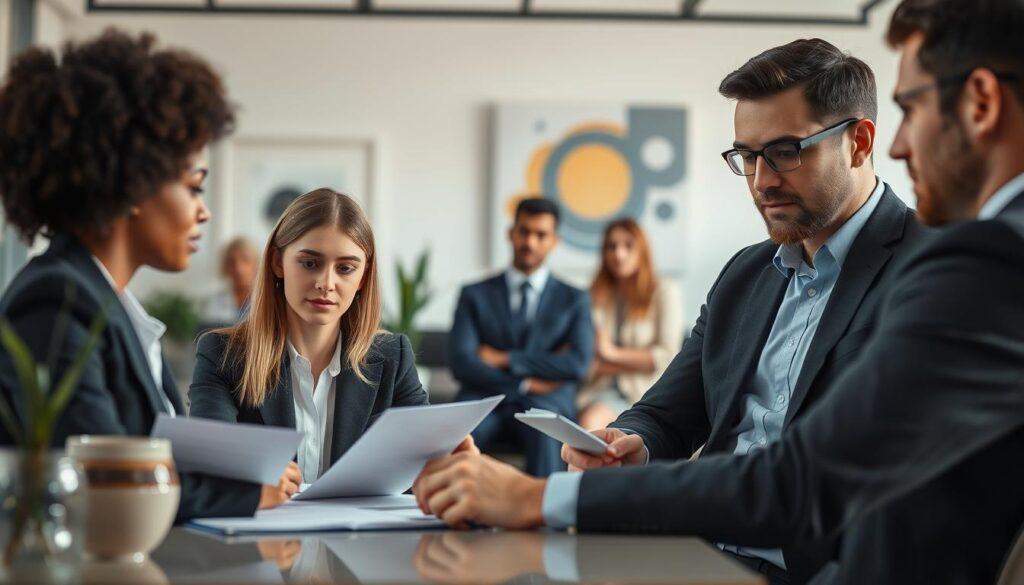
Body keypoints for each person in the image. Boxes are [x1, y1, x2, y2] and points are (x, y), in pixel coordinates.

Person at [412, 1, 1024, 583]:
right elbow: (665, 413)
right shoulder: (745, 275)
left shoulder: (942, 261)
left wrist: (541, 495)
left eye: (784, 153)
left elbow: (805, 484)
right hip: (697, 548)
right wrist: (631, 443)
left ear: (859, 142)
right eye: (746, 156)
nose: (760, 181)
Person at [0, 29, 268, 520]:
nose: (203, 213)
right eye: (194, 188)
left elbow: (163, 463)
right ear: (134, 186)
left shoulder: (109, 301)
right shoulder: (56, 300)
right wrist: (252, 494)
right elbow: (107, 479)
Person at [189, 189, 429, 494]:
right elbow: (209, 465)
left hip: (359, 539)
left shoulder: (393, 357)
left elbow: (424, 469)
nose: (326, 284)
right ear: (278, 262)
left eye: (345, 268)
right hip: (261, 537)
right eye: (310, 263)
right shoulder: (222, 355)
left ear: (363, 277)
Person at [448, 197, 594, 477]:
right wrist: (527, 382)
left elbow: (577, 364)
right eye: (524, 231)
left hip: (548, 403)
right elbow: (462, 362)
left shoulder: (574, 299)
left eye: (541, 235)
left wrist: (504, 359)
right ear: (510, 233)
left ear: (554, 241)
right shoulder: (474, 295)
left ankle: (546, 516)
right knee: (458, 440)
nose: (530, 242)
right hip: (484, 399)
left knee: (548, 435)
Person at [577, 219, 683, 431]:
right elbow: (584, 359)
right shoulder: (592, 295)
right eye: (611, 246)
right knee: (590, 425)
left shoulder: (664, 291)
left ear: (642, 250)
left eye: (628, 245)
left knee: (594, 429)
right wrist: (637, 359)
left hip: (645, 394)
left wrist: (611, 353)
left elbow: (667, 357)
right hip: (596, 393)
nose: (619, 254)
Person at [202, 236, 258, 324]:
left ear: (256, 264)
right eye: (232, 262)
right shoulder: (214, 303)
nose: (238, 268)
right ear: (225, 267)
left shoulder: (269, 302)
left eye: (245, 260)